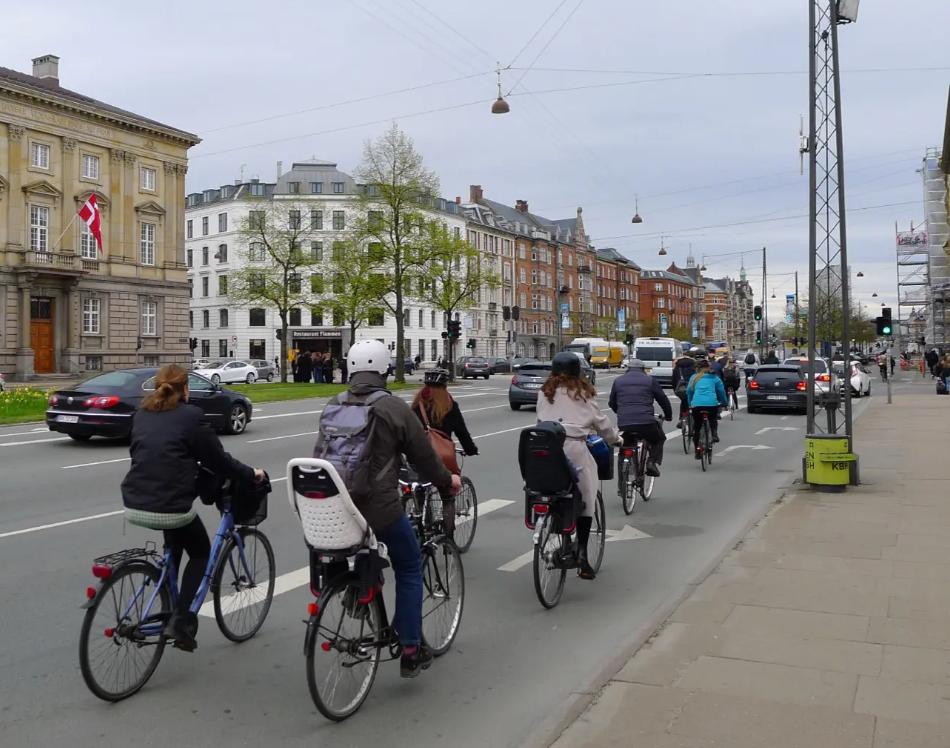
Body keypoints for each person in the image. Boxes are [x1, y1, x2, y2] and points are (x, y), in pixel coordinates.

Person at [313, 339, 460, 678]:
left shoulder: (332, 404)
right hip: (378, 507)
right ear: (384, 369)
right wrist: (446, 481)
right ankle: (410, 648)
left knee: (363, 546)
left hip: (336, 508)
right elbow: (424, 455)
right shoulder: (392, 408)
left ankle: (358, 588)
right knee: (408, 565)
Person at [120, 364, 264, 652]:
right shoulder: (191, 417)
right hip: (170, 505)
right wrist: (252, 474)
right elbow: (219, 462)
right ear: (186, 389)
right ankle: (181, 619)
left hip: (134, 502)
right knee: (200, 552)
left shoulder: (142, 414)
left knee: (175, 542)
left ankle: (169, 599)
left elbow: (142, 452)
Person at [537, 352, 620, 580]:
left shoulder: (544, 393)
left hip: (546, 448)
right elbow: (601, 423)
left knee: (547, 489)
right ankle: (582, 556)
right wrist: (616, 439)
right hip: (574, 449)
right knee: (587, 498)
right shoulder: (583, 393)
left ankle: (551, 521)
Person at [608, 358, 672, 478]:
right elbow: (663, 400)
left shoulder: (618, 381)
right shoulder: (650, 380)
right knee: (659, 439)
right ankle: (651, 462)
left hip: (624, 423)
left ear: (628, 369)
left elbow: (611, 402)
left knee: (625, 444)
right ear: (643, 369)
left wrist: (621, 413)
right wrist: (668, 415)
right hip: (646, 422)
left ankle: (622, 481)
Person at [411, 369, 478, 458]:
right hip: (440, 457)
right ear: (444, 386)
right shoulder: (449, 406)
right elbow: (462, 432)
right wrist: (470, 449)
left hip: (416, 455)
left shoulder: (417, 404)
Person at [686, 359, 728, 458]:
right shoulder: (714, 378)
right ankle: (714, 434)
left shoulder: (694, 377)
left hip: (697, 405)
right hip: (711, 404)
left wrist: (690, 403)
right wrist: (724, 402)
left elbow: (689, 391)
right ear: (709, 368)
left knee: (697, 427)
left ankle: (697, 451)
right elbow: (721, 391)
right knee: (713, 419)